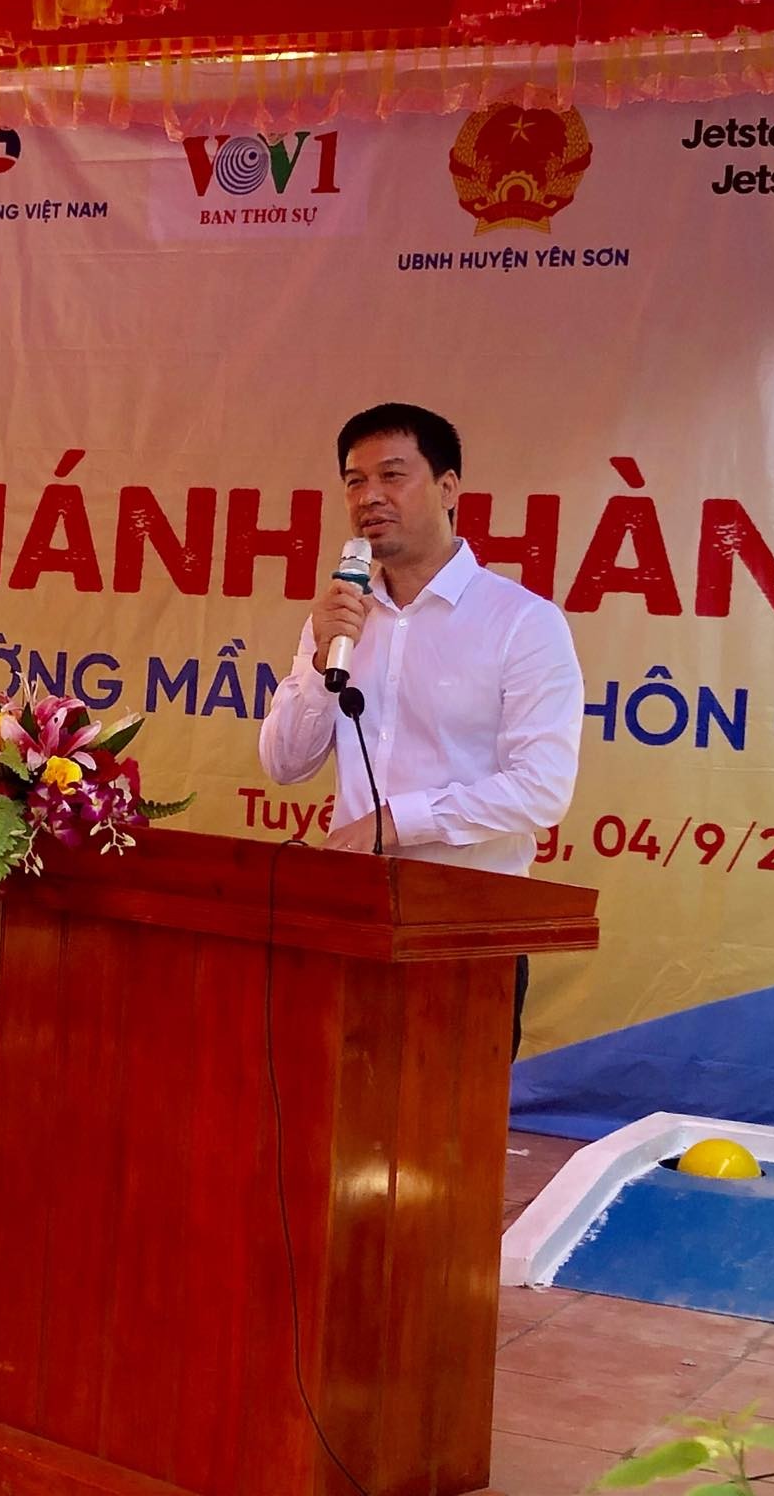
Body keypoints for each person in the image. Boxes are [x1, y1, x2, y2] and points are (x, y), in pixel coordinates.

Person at [257, 403, 584, 1059]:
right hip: (351, 920)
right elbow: (284, 764)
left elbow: (541, 789)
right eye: (354, 481)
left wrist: (395, 821)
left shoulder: (522, 623)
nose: (369, 497)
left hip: (468, 931)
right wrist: (321, 661)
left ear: (448, 487)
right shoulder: (339, 616)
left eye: (392, 475)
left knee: (449, 1119)